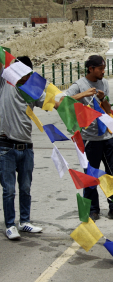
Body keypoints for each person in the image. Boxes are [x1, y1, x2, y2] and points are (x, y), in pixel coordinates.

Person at [0, 56, 60, 240]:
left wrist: (79, 101)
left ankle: (24, 222)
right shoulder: (5, 82)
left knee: (25, 188)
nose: (24, 77)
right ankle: (10, 225)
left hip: (26, 146)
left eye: (27, 74)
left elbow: (54, 103)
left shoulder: (32, 89)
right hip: (6, 146)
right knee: (9, 190)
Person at [65, 55, 113, 222]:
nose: (103, 71)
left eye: (104, 68)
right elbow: (62, 101)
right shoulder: (79, 85)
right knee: (90, 176)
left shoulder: (104, 83)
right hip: (90, 139)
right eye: (100, 68)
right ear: (90, 69)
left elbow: (108, 109)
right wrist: (84, 94)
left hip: (108, 136)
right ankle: (93, 209)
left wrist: (102, 98)